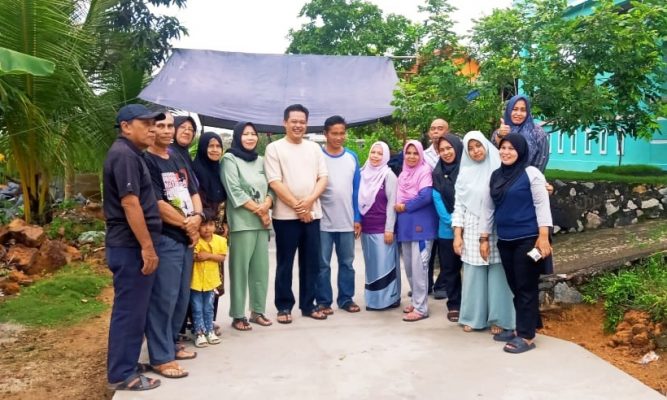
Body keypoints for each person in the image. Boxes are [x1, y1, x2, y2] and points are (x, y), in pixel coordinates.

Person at [103, 104, 164, 391]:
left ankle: (126, 363)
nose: (153, 129)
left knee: (135, 309)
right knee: (129, 310)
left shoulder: (132, 154)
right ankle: (121, 374)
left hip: (132, 245)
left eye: (154, 124)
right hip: (130, 246)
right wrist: (147, 247)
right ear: (126, 126)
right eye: (146, 123)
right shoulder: (124, 155)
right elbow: (130, 203)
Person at [144, 111, 204, 379]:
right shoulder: (146, 161)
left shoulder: (177, 156)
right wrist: (186, 224)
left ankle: (171, 343)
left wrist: (198, 218)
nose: (168, 130)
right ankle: (160, 357)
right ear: (151, 129)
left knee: (181, 297)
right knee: (164, 298)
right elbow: (157, 203)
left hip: (187, 237)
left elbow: (194, 192)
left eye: (170, 125)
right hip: (167, 237)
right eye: (162, 126)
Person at [479, 133, 553, 354]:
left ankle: (527, 336)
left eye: (511, 148)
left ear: (520, 151)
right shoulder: (495, 176)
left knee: (525, 287)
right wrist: (484, 238)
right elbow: (488, 208)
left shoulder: (531, 174)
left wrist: (543, 236)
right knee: (515, 286)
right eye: (503, 148)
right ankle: (523, 327)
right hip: (505, 240)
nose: (506, 152)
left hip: (527, 239)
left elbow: (541, 204)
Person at [264, 104, 329, 323]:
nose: (298, 125)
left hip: (312, 215)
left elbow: (323, 178)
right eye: (294, 121)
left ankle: (308, 305)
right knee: (285, 263)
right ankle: (284, 306)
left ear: (307, 124)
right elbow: (275, 182)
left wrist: (309, 202)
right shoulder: (274, 148)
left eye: (302, 122)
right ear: (285, 123)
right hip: (285, 217)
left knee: (311, 263)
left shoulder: (314, 148)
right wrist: (299, 207)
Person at [452, 131, 515, 336]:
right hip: (471, 228)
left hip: (495, 227)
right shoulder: (464, 174)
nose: (475, 151)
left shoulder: (500, 169)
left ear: (486, 145)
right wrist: (457, 235)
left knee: (498, 274)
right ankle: (473, 317)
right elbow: (459, 206)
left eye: (478, 146)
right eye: (470, 148)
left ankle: (500, 318)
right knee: (473, 274)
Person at [221, 121, 274, 331]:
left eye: (253, 134)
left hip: (262, 224)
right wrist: (261, 211)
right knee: (239, 271)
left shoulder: (261, 161)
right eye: (245, 134)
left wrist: (267, 204)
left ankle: (257, 311)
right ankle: (238, 314)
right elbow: (234, 190)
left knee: (261, 271)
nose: (250, 137)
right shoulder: (229, 159)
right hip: (242, 223)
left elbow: (272, 187)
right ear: (237, 137)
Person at [315, 115, 362, 315]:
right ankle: (323, 301)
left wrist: (357, 218)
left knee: (347, 263)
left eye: (342, 133)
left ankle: (346, 299)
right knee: (322, 265)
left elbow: (356, 190)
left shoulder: (352, 157)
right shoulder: (317, 156)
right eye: (334, 133)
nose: (339, 137)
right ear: (325, 134)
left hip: (347, 221)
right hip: (322, 222)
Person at [395, 140, 438, 322]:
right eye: (408, 153)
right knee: (410, 268)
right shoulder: (403, 174)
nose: (411, 156)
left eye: (415, 153)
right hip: (406, 227)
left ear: (421, 155)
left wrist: (405, 206)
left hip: (421, 227)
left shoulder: (424, 170)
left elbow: (425, 196)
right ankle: (416, 301)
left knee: (420, 268)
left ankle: (421, 309)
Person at [358, 141, 400, 311]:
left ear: (386, 156)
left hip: (383, 229)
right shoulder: (362, 174)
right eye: (373, 152)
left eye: (380, 153)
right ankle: (373, 300)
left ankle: (389, 299)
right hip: (366, 228)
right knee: (372, 265)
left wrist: (389, 229)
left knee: (385, 264)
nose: (375, 156)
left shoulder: (388, 175)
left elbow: (392, 203)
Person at [431, 134, 464, 322]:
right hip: (447, 230)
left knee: (473, 270)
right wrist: (454, 223)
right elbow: (437, 200)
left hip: (469, 229)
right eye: (442, 150)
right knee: (450, 270)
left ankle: (472, 305)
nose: (446, 152)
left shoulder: (467, 170)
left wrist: (464, 224)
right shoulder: (437, 174)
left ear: (457, 148)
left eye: (449, 148)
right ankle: (454, 305)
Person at [423, 118, 450, 299]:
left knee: (445, 247)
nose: (436, 132)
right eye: (433, 129)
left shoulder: (453, 152)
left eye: (440, 128)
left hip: (447, 206)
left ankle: (443, 284)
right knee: (428, 249)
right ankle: (425, 284)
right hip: (428, 208)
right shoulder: (423, 155)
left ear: (447, 131)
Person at [191, 217, 226, 348]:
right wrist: (198, 256)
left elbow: (222, 257)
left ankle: (210, 331)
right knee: (197, 308)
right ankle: (199, 333)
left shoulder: (220, 240)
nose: (207, 228)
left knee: (209, 307)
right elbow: (193, 256)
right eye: (203, 225)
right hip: (196, 281)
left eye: (210, 225)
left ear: (215, 226)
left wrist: (208, 256)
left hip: (211, 281)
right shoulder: (195, 240)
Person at [492, 95, 549, 172]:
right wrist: (500, 136)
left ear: (527, 112)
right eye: (514, 109)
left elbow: (541, 162)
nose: (518, 113)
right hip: (502, 177)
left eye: (523, 110)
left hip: (529, 177)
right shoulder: (500, 131)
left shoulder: (537, 133)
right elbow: (494, 157)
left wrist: (530, 178)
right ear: (509, 110)